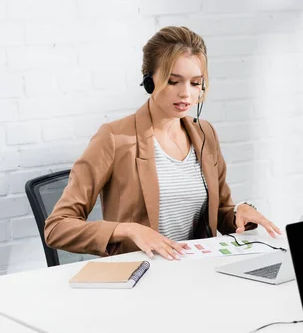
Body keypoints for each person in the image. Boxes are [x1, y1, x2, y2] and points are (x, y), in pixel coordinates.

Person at [45, 26, 281, 261]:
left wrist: (239, 212)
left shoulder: (205, 134)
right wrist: (129, 230)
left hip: (197, 270)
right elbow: (57, 227)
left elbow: (219, 213)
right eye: (173, 81)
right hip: (143, 277)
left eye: (195, 83)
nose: (186, 94)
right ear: (149, 81)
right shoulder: (114, 138)